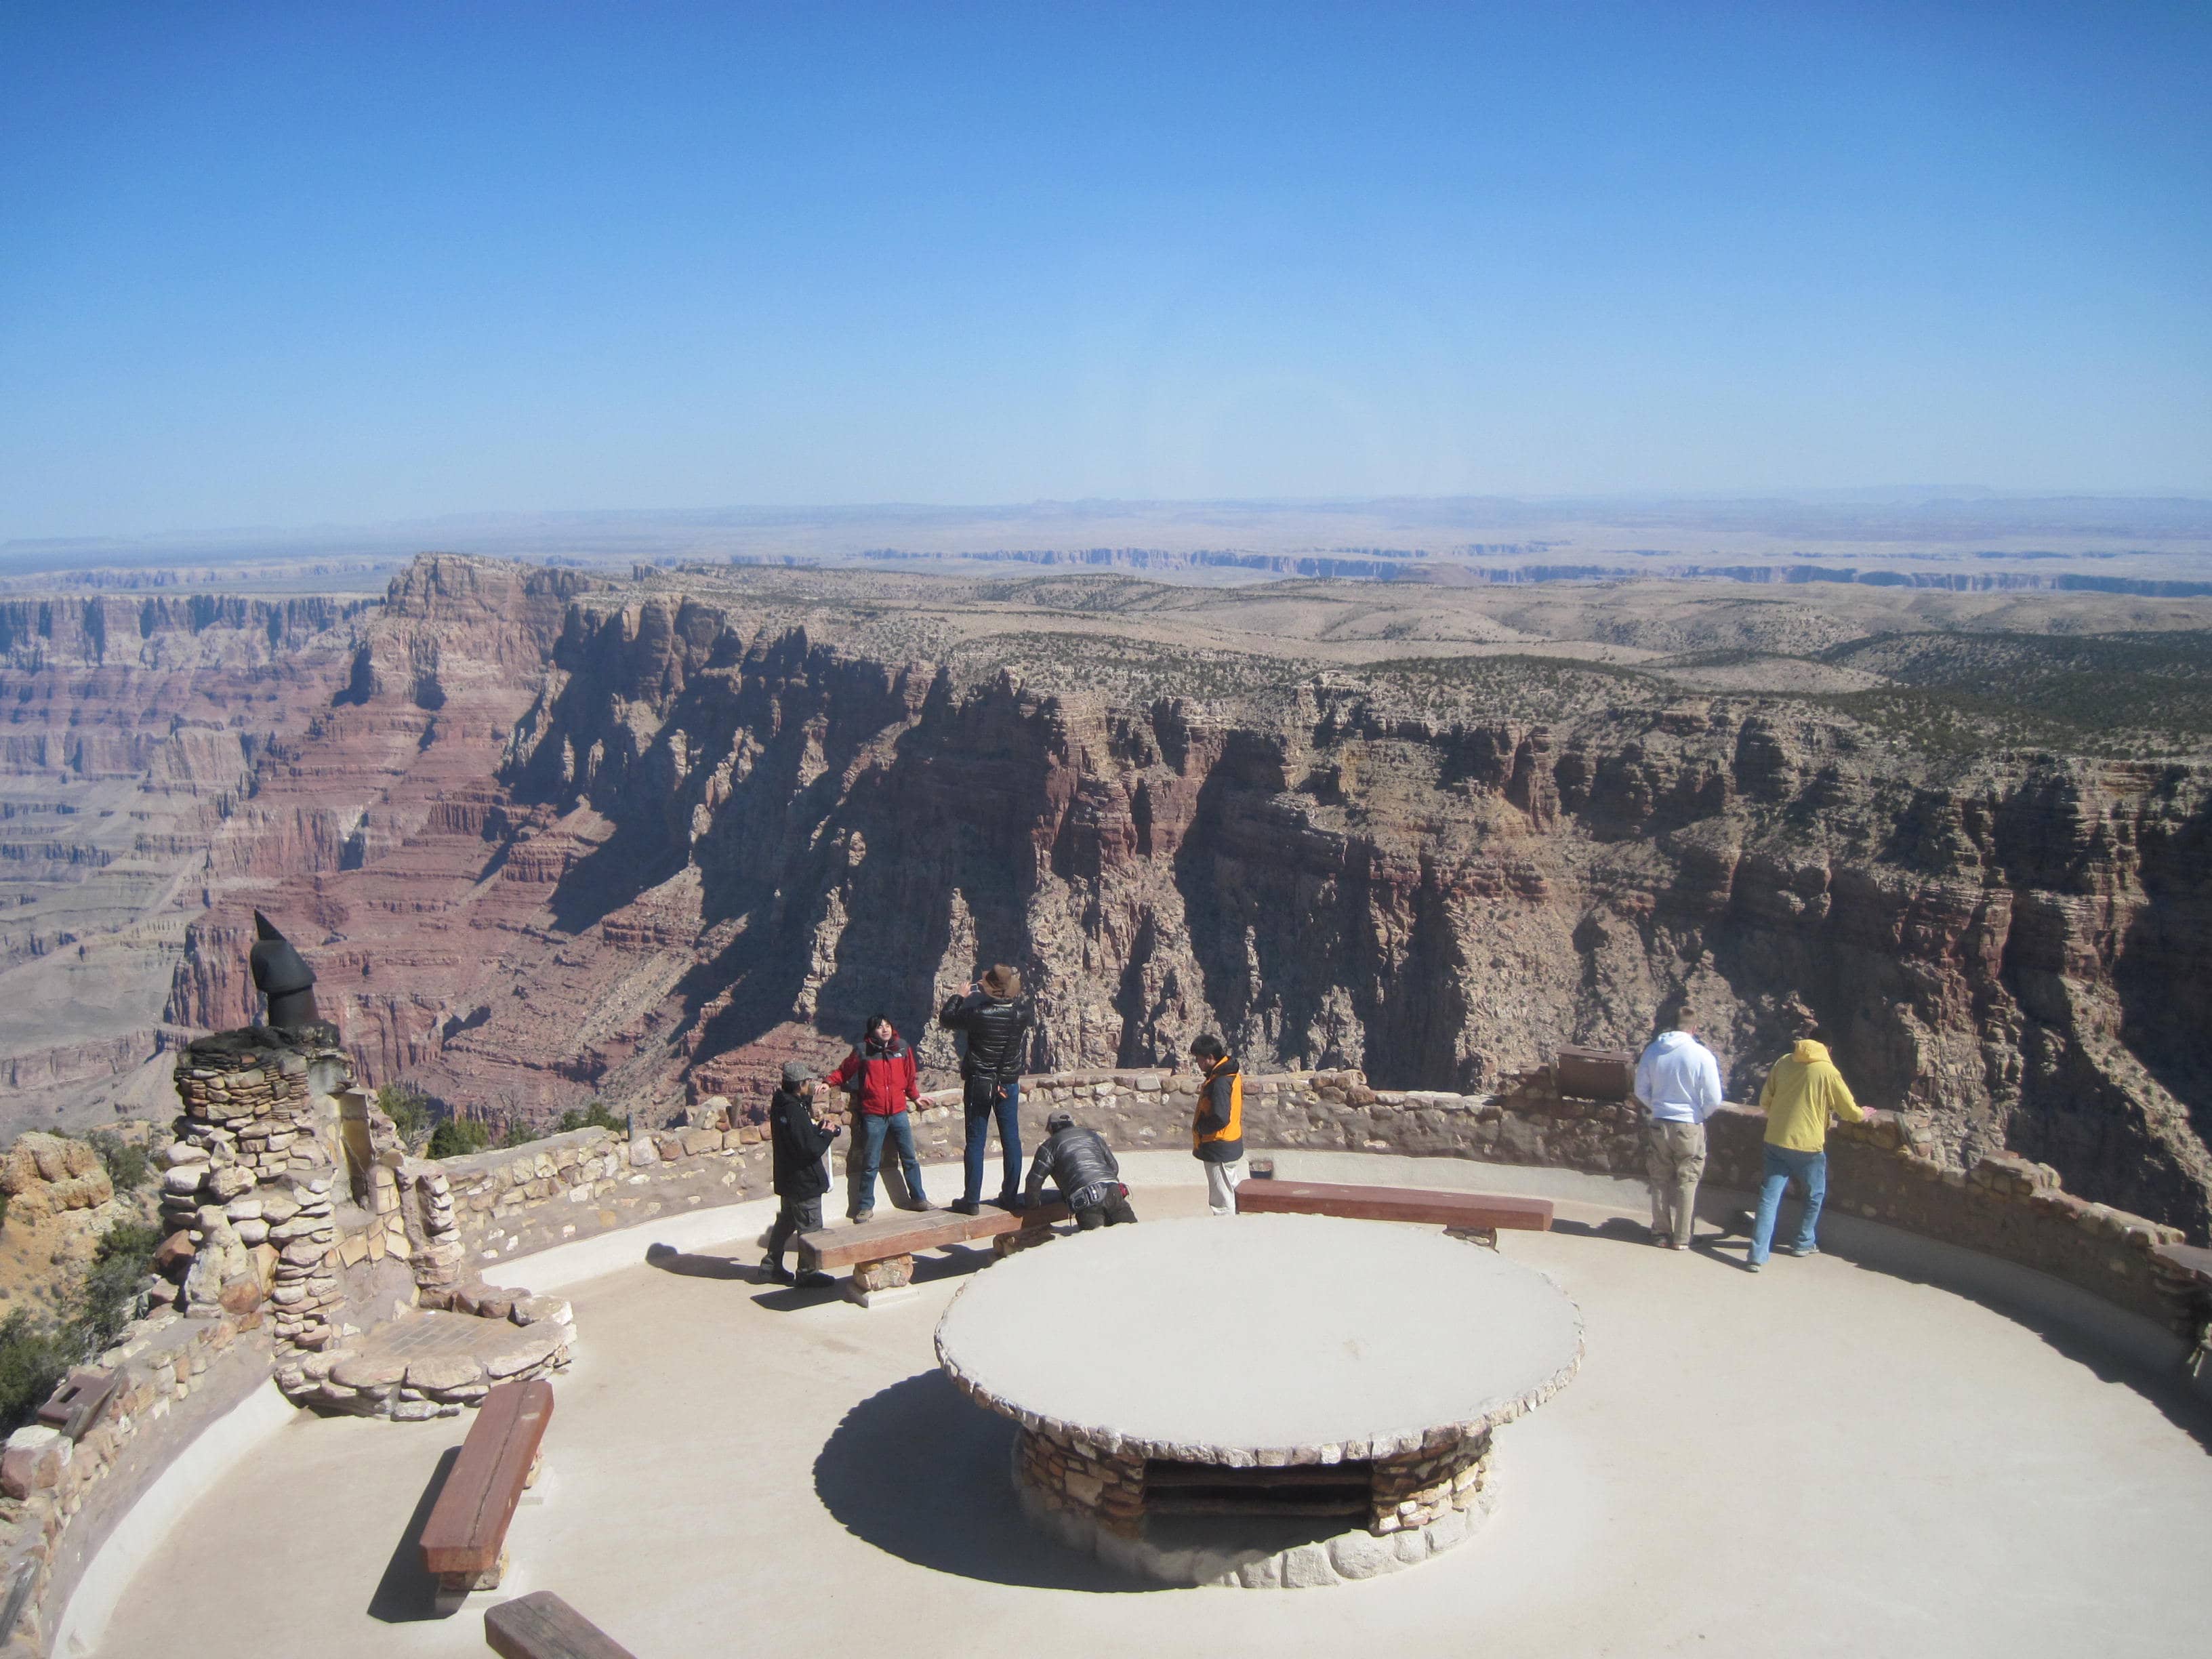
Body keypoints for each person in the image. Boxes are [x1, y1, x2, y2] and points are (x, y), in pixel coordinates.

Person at [1746, 1026, 1875, 1271]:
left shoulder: (1784, 1062)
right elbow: (1849, 1111)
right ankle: (1803, 1242)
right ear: (1828, 1048)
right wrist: (1863, 1114)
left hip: (1775, 1139)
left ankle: (1756, 1256)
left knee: (1769, 1198)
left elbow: (1765, 1101)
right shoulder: (1827, 1071)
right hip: (1808, 1145)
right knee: (1815, 1194)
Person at [939, 964, 1033, 1214]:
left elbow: (946, 1019)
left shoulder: (978, 1013)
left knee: (976, 1142)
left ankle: (971, 1200)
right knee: (1011, 1140)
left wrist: (960, 996)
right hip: (1008, 1083)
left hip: (980, 1082)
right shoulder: (1022, 1014)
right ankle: (1010, 1196)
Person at [824, 1013, 931, 1223]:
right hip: (873, 1114)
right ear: (872, 1031)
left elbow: (909, 1077)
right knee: (870, 1162)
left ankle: (919, 1199)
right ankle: (864, 1206)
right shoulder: (863, 1051)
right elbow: (845, 1071)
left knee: (910, 1158)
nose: (885, 1029)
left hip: (899, 1112)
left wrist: (916, 1097)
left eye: (888, 1025)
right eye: (880, 1027)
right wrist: (828, 1082)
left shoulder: (902, 1048)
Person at [1633, 1008, 1723, 1249]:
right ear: (1694, 1029)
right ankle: (1683, 1238)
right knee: (1688, 1180)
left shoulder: (1653, 1052)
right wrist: (1698, 1115)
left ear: (1670, 1026)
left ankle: (1661, 1233)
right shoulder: (1702, 1055)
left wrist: (1658, 1108)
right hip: (1689, 1125)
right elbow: (1714, 1098)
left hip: (1660, 1123)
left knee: (1659, 1178)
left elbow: (1640, 1090)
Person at [761, 1062, 837, 1287]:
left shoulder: (782, 1104)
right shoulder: (794, 1111)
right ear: (800, 1085)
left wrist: (815, 1128)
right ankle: (808, 1273)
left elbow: (798, 1138)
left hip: (788, 1178)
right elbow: (809, 1149)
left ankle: (770, 1266)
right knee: (811, 1227)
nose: (811, 1086)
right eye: (808, 1083)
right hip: (804, 1181)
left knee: (787, 1221)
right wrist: (827, 1134)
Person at [1023, 1110, 1138, 1229]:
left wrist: (1032, 1206)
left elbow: (1033, 1182)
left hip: (1086, 1199)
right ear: (1071, 1123)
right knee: (1132, 1234)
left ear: (1051, 1128)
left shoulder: (1048, 1146)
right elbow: (1114, 1168)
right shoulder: (1092, 1135)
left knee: (1096, 1243)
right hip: (1113, 1191)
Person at [1187, 1034, 1246, 1215]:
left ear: (1210, 1058)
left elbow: (1221, 1118)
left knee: (1221, 1197)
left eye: (1198, 1059)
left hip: (1218, 1146)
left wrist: (1201, 1129)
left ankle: (1225, 1233)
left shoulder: (1220, 1082)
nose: (1198, 1064)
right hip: (1229, 1142)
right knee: (1231, 1187)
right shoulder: (1229, 1074)